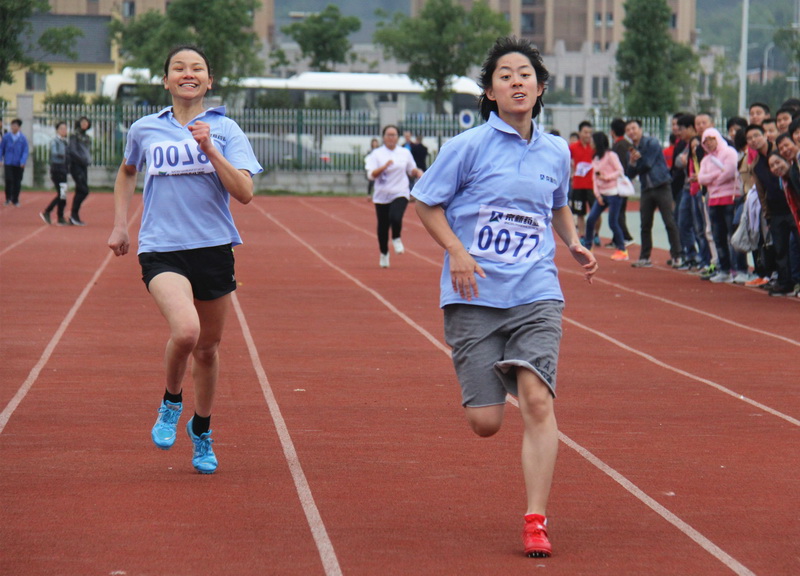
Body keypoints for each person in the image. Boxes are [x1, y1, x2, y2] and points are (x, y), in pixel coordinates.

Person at [412, 36, 598, 559]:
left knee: (537, 400)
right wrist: (457, 251)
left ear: (540, 87)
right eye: (505, 75)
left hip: (537, 290)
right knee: (486, 423)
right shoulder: (467, 147)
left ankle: (536, 519)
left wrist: (574, 242)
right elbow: (425, 203)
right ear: (490, 92)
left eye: (525, 74)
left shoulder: (555, 150)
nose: (517, 81)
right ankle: (494, 369)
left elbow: (557, 204)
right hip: (473, 293)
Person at [107, 44, 263, 473]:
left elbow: (245, 193)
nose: (188, 73)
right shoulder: (144, 128)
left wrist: (211, 149)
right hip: (161, 247)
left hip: (212, 248)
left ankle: (202, 430)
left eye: (197, 68)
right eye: (179, 67)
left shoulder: (226, 129)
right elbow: (127, 171)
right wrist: (121, 225)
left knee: (208, 350)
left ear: (209, 81)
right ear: (166, 80)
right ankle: (171, 401)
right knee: (187, 331)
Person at [625, 119, 682, 267]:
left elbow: (647, 164)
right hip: (646, 189)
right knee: (645, 223)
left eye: (634, 128)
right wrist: (632, 162)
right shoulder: (631, 151)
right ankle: (645, 257)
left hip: (661, 185)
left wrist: (637, 161)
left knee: (669, 221)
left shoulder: (652, 143)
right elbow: (629, 174)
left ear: (640, 129)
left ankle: (677, 255)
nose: (631, 132)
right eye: (628, 130)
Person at [365, 125, 422, 268]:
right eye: (389, 135)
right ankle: (384, 253)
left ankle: (396, 237)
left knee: (395, 217)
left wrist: (418, 172)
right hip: (382, 194)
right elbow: (371, 175)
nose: (391, 138)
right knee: (383, 227)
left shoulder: (404, 153)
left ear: (398, 137)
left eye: (394, 135)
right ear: (383, 137)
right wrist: (384, 167)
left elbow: (411, 169)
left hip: (400, 191)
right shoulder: (376, 154)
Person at [697, 127, 745, 283]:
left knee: (733, 236)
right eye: (705, 141)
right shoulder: (706, 160)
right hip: (713, 200)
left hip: (730, 198)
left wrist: (712, 180)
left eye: (711, 139)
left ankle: (739, 269)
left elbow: (730, 172)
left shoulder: (729, 152)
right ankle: (724, 269)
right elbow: (701, 179)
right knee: (718, 237)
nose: (709, 144)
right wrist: (717, 176)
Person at [584, 131, 628, 260]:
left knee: (612, 222)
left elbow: (620, 171)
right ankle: (588, 247)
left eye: (593, 141)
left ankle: (622, 250)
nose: (591, 143)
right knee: (591, 219)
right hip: (602, 194)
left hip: (614, 193)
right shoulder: (596, 158)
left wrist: (607, 177)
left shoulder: (611, 155)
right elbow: (594, 177)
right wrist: (597, 195)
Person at [568, 120, 595, 242]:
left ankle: (595, 234)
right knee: (580, 213)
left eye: (589, 133)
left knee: (595, 212)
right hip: (578, 185)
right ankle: (582, 236)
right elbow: (565, 159)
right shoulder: (573, 147)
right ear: (580, 133)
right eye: (585, 132)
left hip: (592, 185)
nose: (587, 135)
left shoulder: (594, 147)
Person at [609, 118, 634, 245]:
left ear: (612, 132)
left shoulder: (618, 146)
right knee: (619, 211)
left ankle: (625, 236)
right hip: (625, 180)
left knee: (618, 211)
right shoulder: (627, 144)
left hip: (619, 182)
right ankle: (617, 238)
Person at [40, 121, 70, 225]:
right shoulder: (55, 141)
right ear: (57, 130)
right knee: (61, 194)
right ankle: (48, 212)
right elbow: (54, 153)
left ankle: (59, 216)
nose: (64, 130)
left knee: (63, 194)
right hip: (57, 170)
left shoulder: (65, 142)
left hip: (63, 169)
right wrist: (65, 154)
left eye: (65, 128)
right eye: (61, 128)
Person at [67, 116, 92, 225]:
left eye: (86, 122)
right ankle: (73, 214)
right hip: (76, 165)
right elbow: (72, 151)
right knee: (83, 190)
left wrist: (87, 160)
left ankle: (74, 216)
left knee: (79, 190)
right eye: (82, 122)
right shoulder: (74, 136)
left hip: (83, 166)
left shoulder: (86, 137)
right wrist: (82, 159)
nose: (84, 124)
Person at [0, 119, 29, 206]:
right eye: (12, 125)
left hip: (18, 163)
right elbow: (1, 148)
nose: (13, 127)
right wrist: (0, 159)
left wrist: (23, 161)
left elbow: (25, 151)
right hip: (8, 162)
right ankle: (8, 198)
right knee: (9, 180)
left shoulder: (23, 138)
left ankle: (15, 199)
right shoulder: (6, 137)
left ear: (19, 127)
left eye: (15, 126)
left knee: (17, 181)